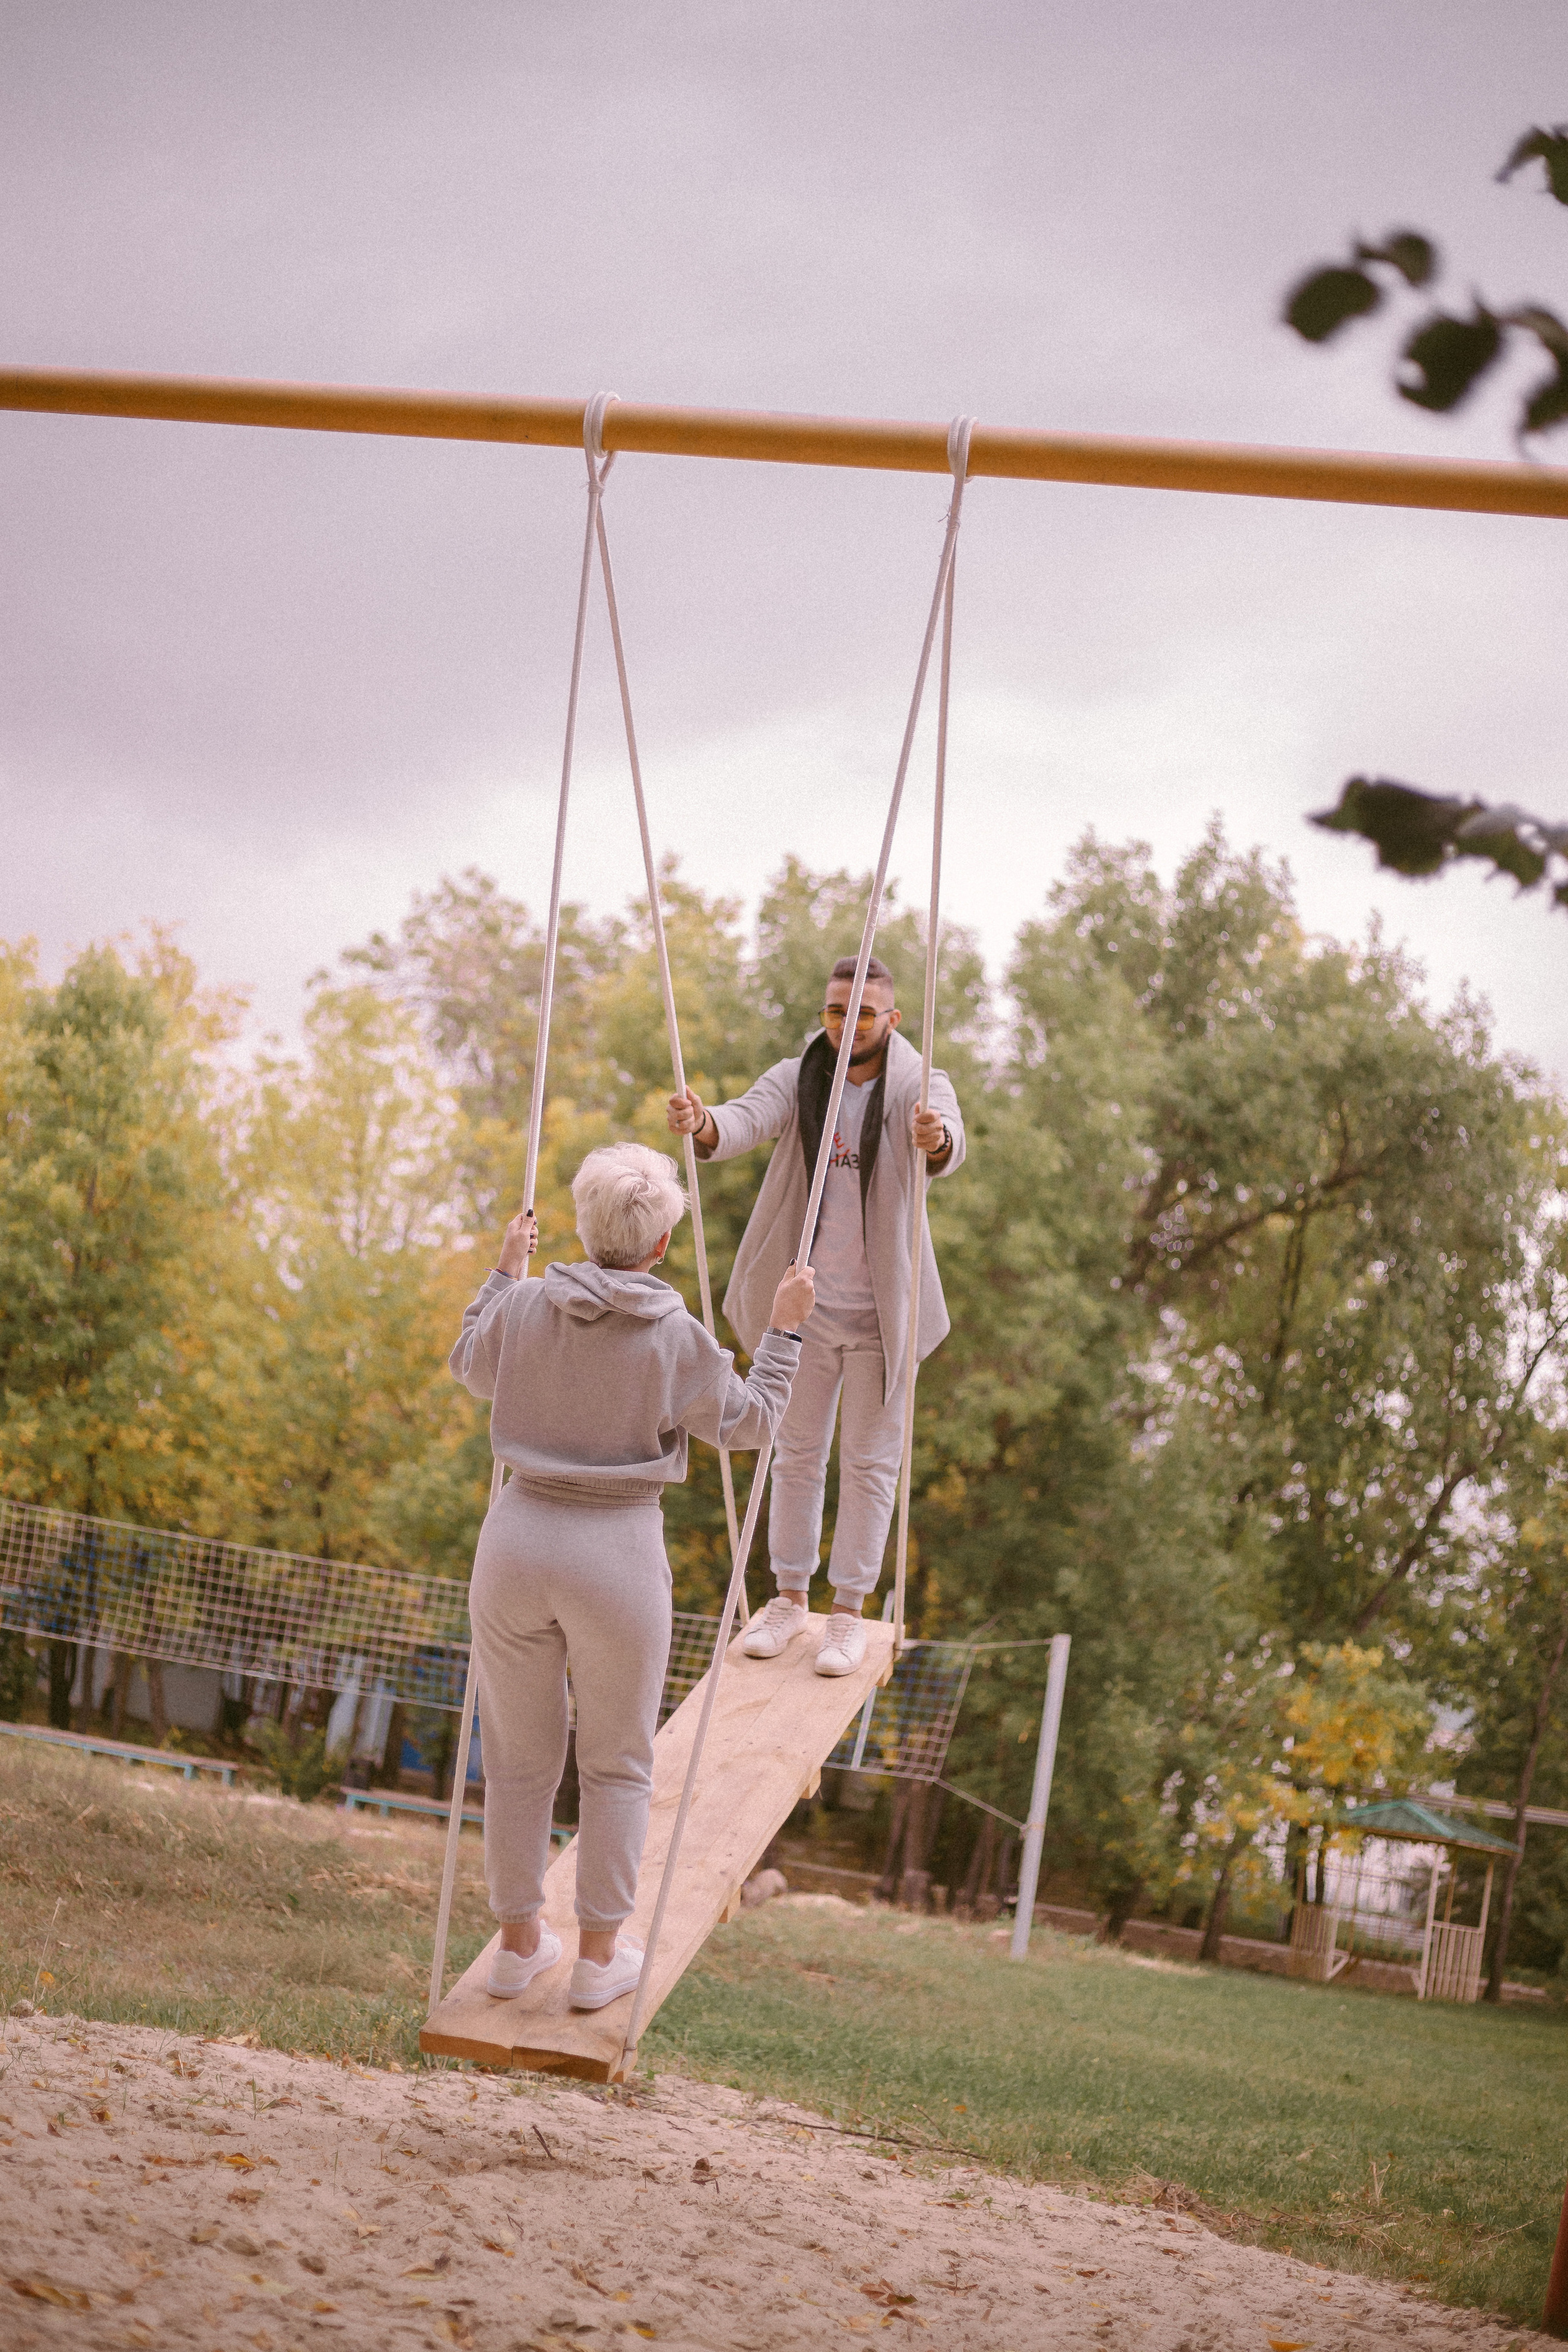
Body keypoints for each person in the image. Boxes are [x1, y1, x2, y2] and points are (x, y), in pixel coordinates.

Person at [450, 1141, 815, 2008]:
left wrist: (503, 1276)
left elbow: (469, 1365)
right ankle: (599, 1957)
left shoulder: (528, 1304)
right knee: (616, 1765)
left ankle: (516, 1945)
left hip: (517, 1542)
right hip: (614, 1554)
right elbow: (754, 1423)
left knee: (517, 1760)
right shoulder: (675, 1338)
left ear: (581, 1226)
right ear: (660, 1248)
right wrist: (785, 1330)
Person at [666, 954, 965, 1678]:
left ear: (890, 1020)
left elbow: (949, 1141)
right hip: (806, 1307)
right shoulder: (800, 1074)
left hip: (883, 1317)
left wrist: (937, 1142)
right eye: (835, 1010)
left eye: (862, 1012)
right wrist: (703, 1122)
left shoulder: (917, 1085)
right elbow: (742, 1121)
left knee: (871, 1464)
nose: (846, 1023)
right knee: (793, 1454)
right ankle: (789, 1598)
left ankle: (848, 1613)